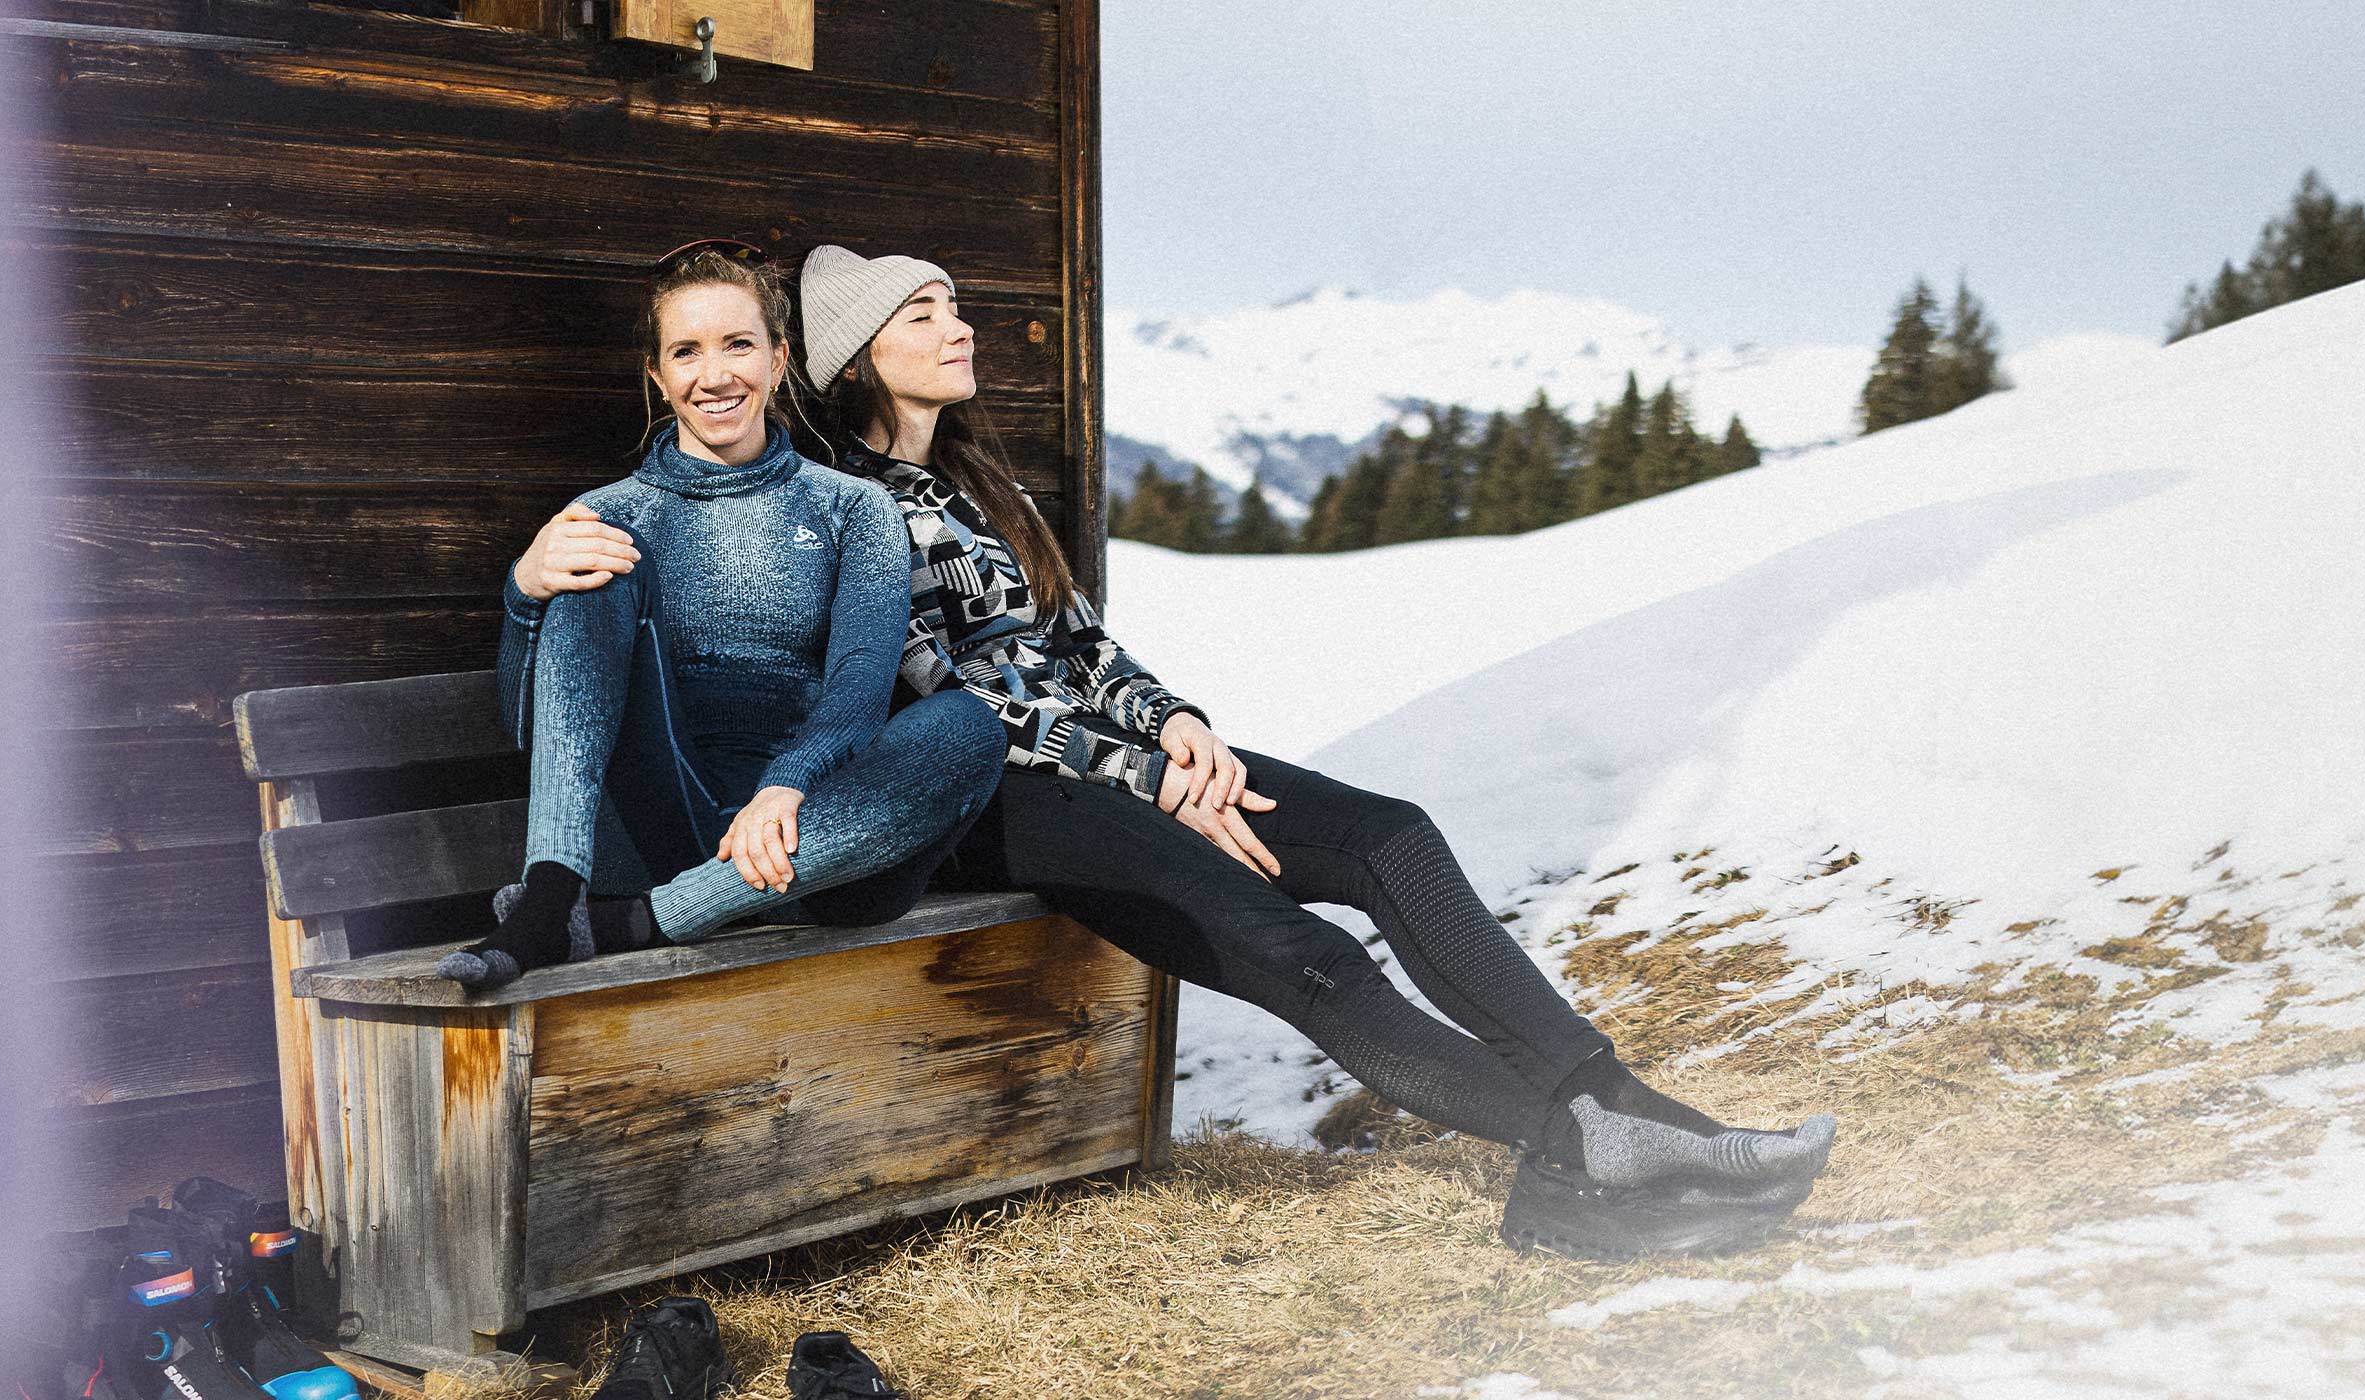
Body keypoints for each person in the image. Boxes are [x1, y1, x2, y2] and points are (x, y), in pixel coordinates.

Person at [495, 243, 1836, 1258]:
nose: (961, 330)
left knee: (1388, 836)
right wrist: (1148, 782)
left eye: (955, 307)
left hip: (1104, 764)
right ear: (848, 359)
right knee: (1297, 948)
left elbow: (1078, 649)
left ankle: (1627, 1106)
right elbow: (945, 698)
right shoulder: (857, 510)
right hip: (1009, 802)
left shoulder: (980, 480)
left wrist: (1180, 728)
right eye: (926, 314)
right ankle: (1576, 1159)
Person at [444, 241, 1003, 991]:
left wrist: (787, 785)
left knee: (969, 725)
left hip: (814, 844)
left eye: (738, 345)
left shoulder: (850, 507)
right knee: (594, 555)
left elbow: (862, 682)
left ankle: (649, 919)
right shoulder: (612, 515)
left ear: (776, 362)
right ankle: (551, 898)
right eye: (686, 352)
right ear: (658, 374)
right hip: (655, 830)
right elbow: (527, 725)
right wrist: (524, 591)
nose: (714, 375)